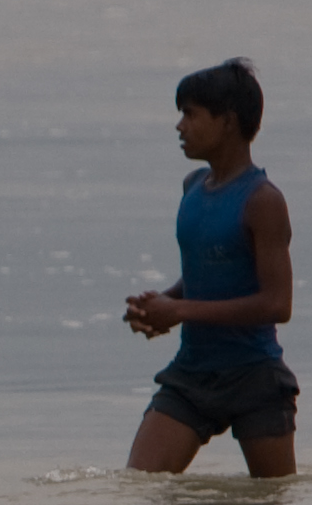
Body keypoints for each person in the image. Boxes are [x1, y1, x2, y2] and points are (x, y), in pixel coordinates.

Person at [126, 58, 297, 479]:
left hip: (254, 377)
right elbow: (210, 272)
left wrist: (181, 312)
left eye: (190, 114)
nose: (180, 126)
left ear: (228, 122)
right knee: (141, 490)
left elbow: (277, 304)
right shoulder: (192, 187)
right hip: (191, 375)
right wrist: (164, 301)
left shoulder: (263, 200)